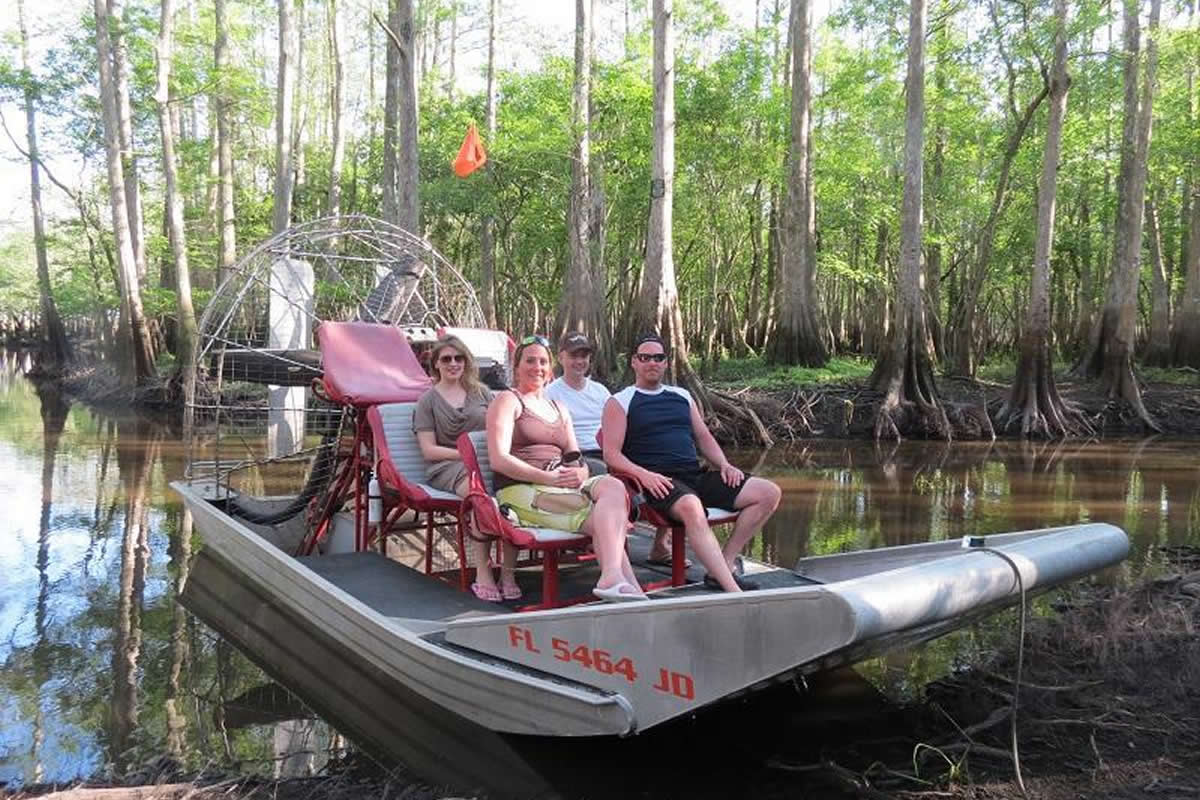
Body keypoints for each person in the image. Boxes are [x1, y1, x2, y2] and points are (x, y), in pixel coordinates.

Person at [601, 333, 782, 592]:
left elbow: (704, 437)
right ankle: (732, 590)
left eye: (658, 358)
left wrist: (725, 465)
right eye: (645, 358)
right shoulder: (620, 401)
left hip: (694, 476)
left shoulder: (682, 396)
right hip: (657, 483)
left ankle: (723, 564)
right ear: (634, 362)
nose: (652, 362)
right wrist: (643, 475)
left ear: (666, 363)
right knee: (692, 506)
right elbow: (611, 454)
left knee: (768, 493)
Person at [487, 335, 648, 602]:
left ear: (550, 368)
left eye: (542, 362)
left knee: (614, 485)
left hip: (561, 482)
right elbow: (499, 459)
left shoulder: (559, 407)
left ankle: (613, 577)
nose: (536, 367)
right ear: (517, 367)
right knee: (602, 516)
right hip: (521, 488)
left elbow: (574, 456)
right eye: (530, 361)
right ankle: (625, 583)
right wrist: (547, 477)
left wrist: (582, 472)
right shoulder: (508, 401)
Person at [412, 335, 514, 602]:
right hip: (447, 467)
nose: (453, 364)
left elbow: (500, 431)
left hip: (487, 462)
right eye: (446, 359)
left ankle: (509, 572)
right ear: (436, 365)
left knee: (511, 492)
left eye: (459, 358)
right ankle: (483, 571)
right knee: (479, 498)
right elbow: (428, 450)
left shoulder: (482, 393)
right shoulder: (427, 402)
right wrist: (465, 454)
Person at [545, 331, 610, 475]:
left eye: (584, 356)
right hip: (576, 457)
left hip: (608, 454)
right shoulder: (549, 393)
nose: (580, 361)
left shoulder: (601, 391)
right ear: (561, 358)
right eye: (574, 356)